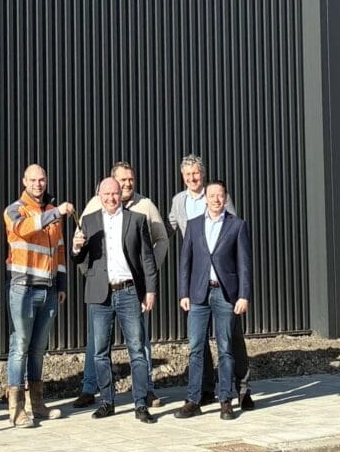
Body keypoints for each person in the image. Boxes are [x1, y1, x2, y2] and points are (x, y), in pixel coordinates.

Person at [79, 162, 168, 411]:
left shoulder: (144, 206)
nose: (127, 183)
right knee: (97, 344)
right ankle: (91, 390)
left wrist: (147, 277)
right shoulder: (95, 205)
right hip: (102, 289)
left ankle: (145, 392)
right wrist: (91, 273)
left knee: (138, 344)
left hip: (132, 289)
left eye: (130, 179)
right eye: (122, 179)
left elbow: (160, 241)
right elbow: (81, 244)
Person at [169, 155, 252, 410]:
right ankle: (201, 393)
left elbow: (237, 246)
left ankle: (240, 390)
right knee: (197, 345)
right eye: (187, 175)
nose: (192, 178)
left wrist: (243, 293)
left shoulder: (225, 208)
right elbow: (171, 230)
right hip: (198, 285)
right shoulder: (180, 202)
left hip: (225, 286)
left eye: (195, 173)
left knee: (230, 342)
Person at [3, 164, 75, 428]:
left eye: (41, 179)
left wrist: (62, 284)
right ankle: (16, 409)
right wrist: (56, 212)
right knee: (20, 346)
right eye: (33, 180)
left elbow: (59, 249)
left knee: (37, 349)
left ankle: (37, 404)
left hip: (49, 289)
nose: (38, 184)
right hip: (23, 288)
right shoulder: (15, 210)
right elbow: (23, 229)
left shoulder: (51, 211)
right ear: (24, 181)